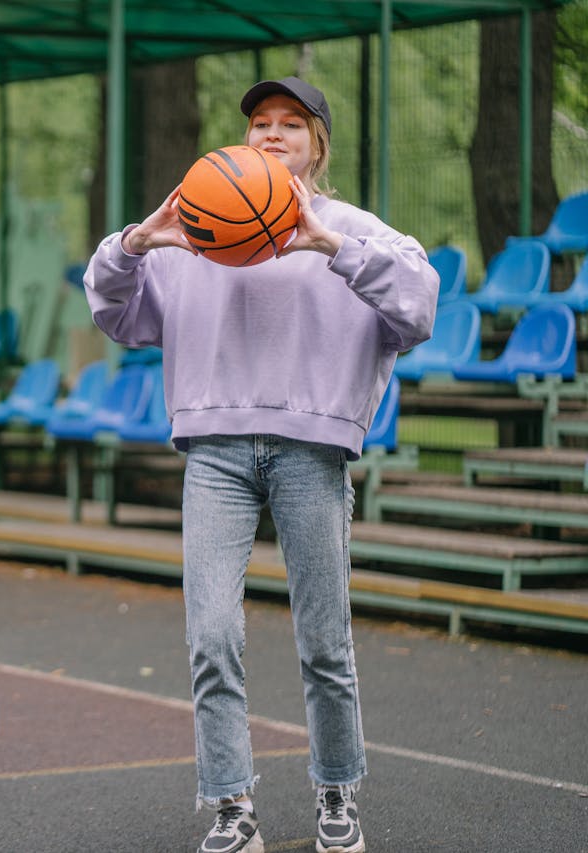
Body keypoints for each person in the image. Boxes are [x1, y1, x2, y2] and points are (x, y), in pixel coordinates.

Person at [83, 77, 438, 853]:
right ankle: (232, 806)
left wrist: (330, 247)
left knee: (324, 638)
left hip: (313, 451)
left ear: (317, 146)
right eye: (259, 123)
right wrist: (135, 244)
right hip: (213, 450)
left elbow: (418, 307)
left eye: (291, 124)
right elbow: (117, 315)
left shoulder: (353, 229)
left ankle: (337, 791)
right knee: (211, 633)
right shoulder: (200, 228)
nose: (271, 134)